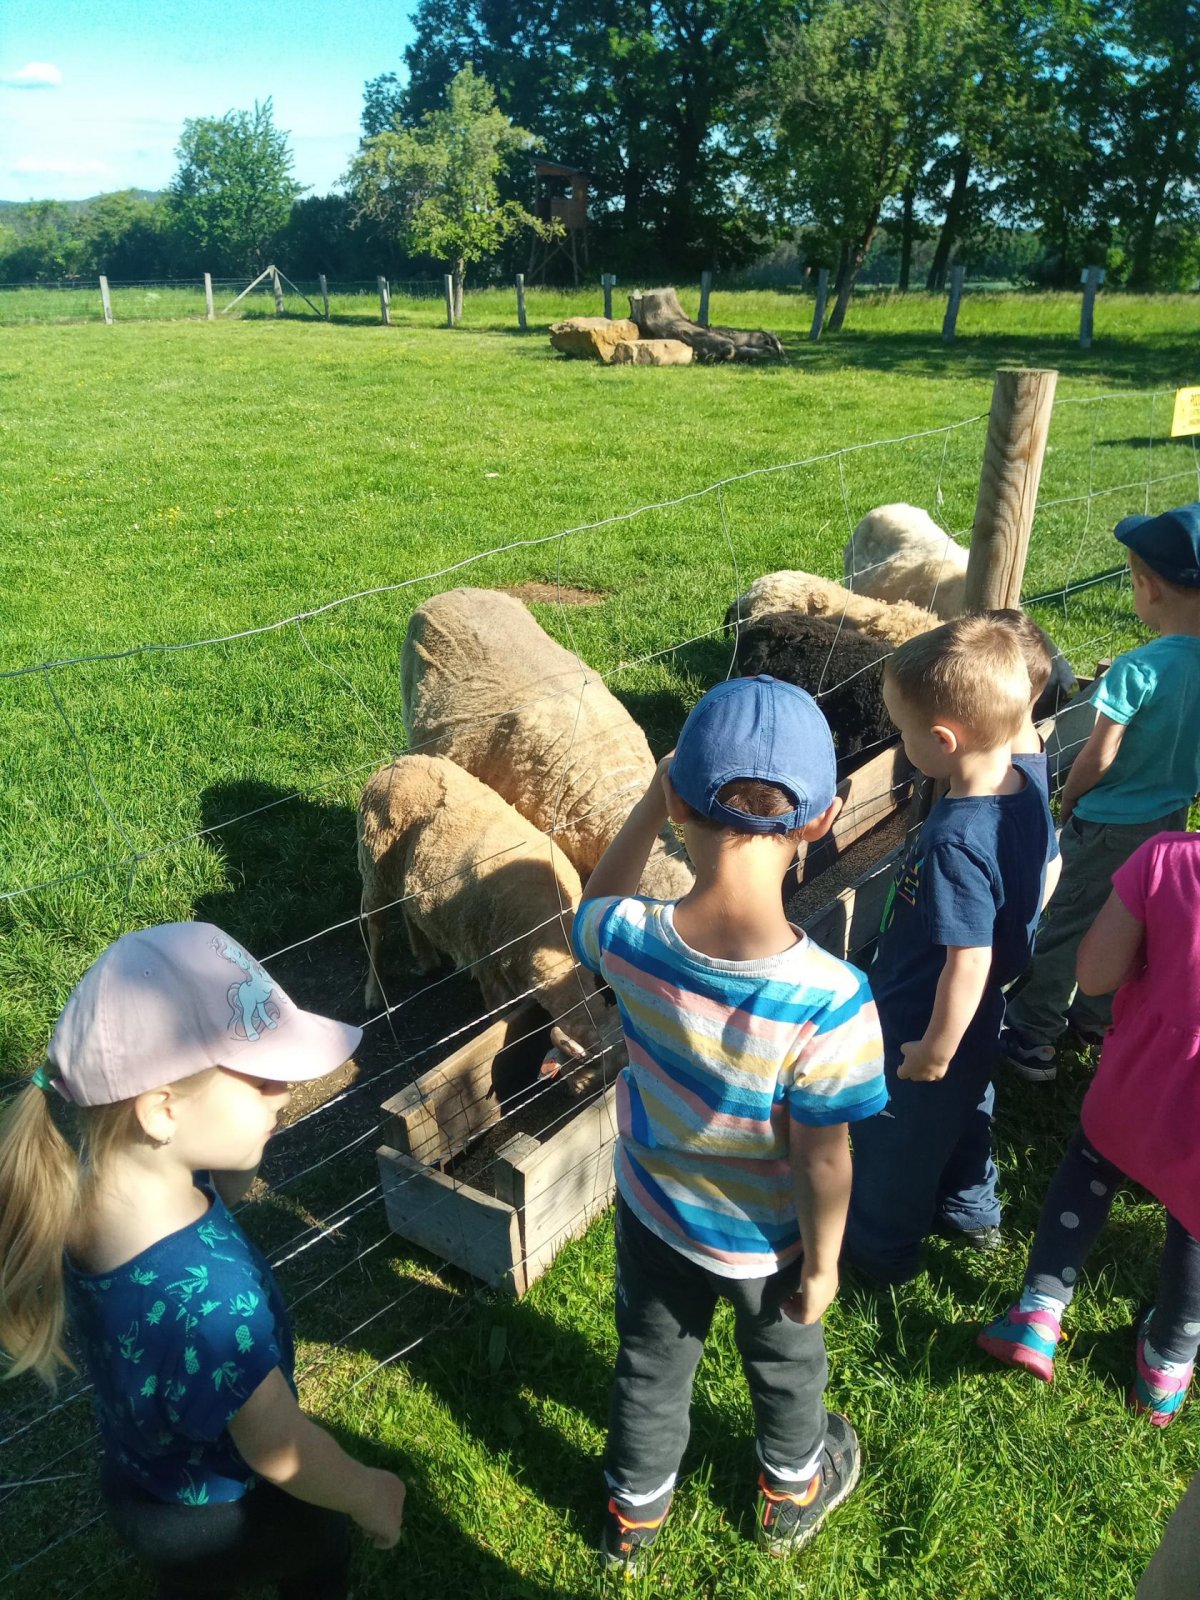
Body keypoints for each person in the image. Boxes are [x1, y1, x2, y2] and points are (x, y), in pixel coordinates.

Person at [572, 676, 886, 1572]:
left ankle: (632, 1520)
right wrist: (822, 1265)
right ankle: (791, 1496)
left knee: (650, 1363)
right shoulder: (831, 1000)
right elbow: (824, 1162)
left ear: (679, 803)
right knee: (786, 1368)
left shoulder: (627, 937)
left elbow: (591, 907)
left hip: (655, 1211)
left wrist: (647, 802)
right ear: (821, 821)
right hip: (770, 1241)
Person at [0, 923, 406, 1600]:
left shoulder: (82, 1197)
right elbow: (279, 1449)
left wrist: (242, 1142)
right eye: (262, 1080)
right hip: (227, 1513)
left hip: (142, 1481)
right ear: (162, 1111)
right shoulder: (214, 1307)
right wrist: (369, 1492)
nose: (285, 1092)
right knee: (316, 1548)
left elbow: (217, 1190)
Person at [843, 615, 1059, 1284]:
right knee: (969, 1106)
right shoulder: (1025, 781)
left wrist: (932, 1050)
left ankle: (880, 1255)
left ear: (942, 741)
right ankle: (971, 1210)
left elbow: (968, 960)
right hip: (984, 1010)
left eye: (903, 733)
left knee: (897, 1139)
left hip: (925, 1014)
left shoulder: (956, 842)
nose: (901, 743)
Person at [979, 832, 1200, 1427]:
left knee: (1092, 1165)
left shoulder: (1168, 859)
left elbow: (1095, 975)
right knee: (1195, 1223)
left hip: (1141, 1077)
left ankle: (1039, 1312)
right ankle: (1166, 1366)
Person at [1002, 503, 1200, 1082]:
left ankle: (1033, 1034)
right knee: (1133, 919)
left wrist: (1070, 796)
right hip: (1169, 818)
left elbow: (1100, 753)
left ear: (1148, 588)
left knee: (1070, 921)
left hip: (1109, 821)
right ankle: (1097, 1016)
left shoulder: (1137, 670)